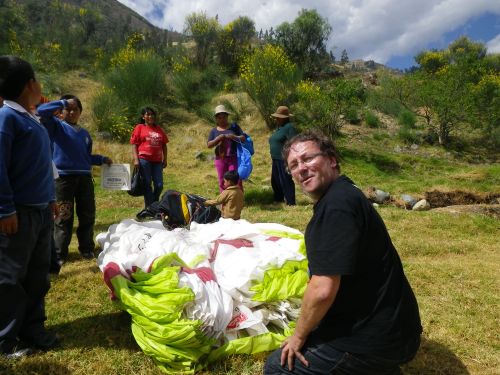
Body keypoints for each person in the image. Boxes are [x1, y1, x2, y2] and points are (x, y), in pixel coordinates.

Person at [264, 131, 422, 375]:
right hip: (399, 330)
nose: (301, 169)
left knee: (278, 367)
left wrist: (297, 336)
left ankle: (372, 363)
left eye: (308, 159)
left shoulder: (336, 208)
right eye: (294, 165)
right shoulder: (346, 192)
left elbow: (322, 290)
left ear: (332, 159)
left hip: (378, 341)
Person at [0, 55, 58, 358]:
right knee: (11, 277)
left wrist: (50, 200)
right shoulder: (6, 119)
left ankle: (33, 329)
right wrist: (5, 209)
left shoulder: (31, 119)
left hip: (40, 212)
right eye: (37, 80)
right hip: (17, 214)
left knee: (38, 274)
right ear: (30, 84)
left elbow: (41, 167)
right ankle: (6, 339)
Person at [37, 95, 112, 261]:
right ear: (61, 112)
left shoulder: (85, 134)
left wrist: (101, 159)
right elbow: (41, 111)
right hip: (63, 179)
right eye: (68, 109)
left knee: (87, 214)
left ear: (80, 112)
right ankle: (59, 253)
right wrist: (63, 102)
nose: (71, 112)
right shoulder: (56, 126)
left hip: (84, 178)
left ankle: (86, 249)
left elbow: (86, 157)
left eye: (75, 109)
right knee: (63, 216)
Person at [130, 107, 169, 208]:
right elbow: (134, 144)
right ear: (143, 117)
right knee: (147, 184)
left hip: (157, 161)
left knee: (159, 185)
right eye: (147, 114)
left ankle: (154, 204)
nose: (150, 116)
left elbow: (164, 144)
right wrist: (136, 159)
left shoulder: (159, 129)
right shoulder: (139, 127)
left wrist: (165, 159)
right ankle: (150, 207)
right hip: (144, 160)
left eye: (152, 114)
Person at [207, 104, 246, 192]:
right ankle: (224, 201)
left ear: (227, 117)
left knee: (235, 179)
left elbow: (243, 139)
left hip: (233, 158)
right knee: (222, 180)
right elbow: (209, 145)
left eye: (224, 117)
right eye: (219, 118)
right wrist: (217, 139)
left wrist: (234, 137)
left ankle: (238, 199)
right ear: (216, 118)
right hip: (220, 159)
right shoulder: (214, 131)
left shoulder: (234, 127)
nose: (222, 120)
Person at [269, 106, 298, 205]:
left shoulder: (289, 127)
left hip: (283, 158)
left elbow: (294, 142)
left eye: (278, 117)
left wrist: (290, 156)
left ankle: (291, 201)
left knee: (285, 179)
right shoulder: (279, 128)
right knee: (275, 180)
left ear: (284, 117)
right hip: (275, 158)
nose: (276, 119)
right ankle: (278, 199)